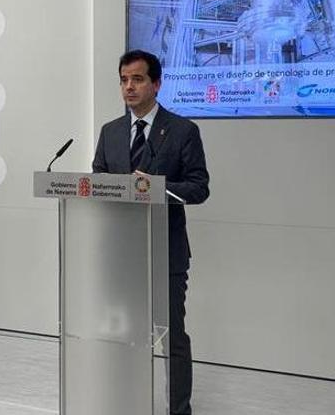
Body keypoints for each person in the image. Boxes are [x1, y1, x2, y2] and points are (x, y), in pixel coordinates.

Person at [92, 49, 209, 415]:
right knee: (124, 336)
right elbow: (97, 180)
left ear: (156, 84)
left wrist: (158, 187)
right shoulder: (110, 132)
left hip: (165, 252)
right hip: (122, 254)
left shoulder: (183, 131)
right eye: (124, 80)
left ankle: (178, 410)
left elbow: (199, 187)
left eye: (138, 79)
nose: (129, 86)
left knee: (171, 337)